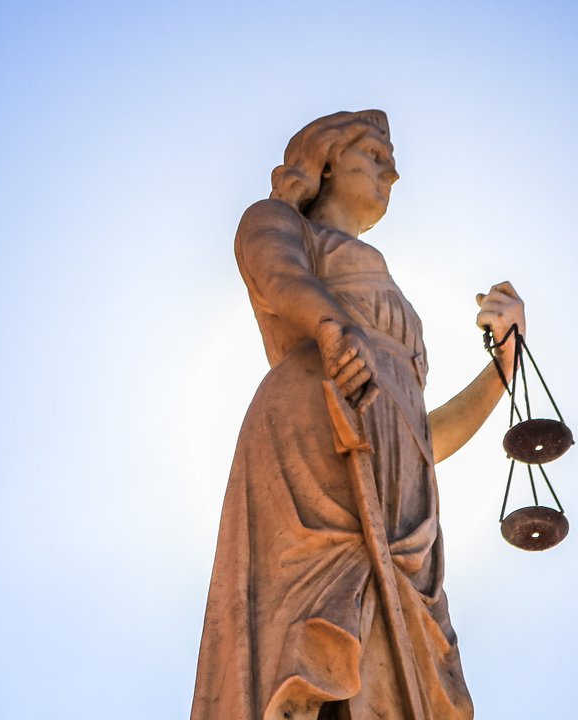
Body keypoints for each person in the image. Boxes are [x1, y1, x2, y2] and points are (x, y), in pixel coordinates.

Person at [190, 110, 525, 720]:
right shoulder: (279, 223)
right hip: (316, 445)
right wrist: (331, 327)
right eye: (373, 155)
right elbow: (278, 274)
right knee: (307, 633)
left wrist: (503, 364)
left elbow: (423, 440)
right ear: (324, 163)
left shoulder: (392, 291)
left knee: (399, 676)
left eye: (390, 162)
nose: (390, 173)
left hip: (404, 500)